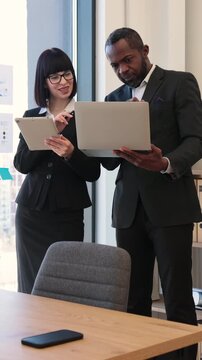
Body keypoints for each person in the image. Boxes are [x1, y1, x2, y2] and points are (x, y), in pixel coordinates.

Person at [101, 27, 202, 360]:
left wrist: (166, 162)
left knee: (176, 298)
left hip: (171, 206)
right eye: (115, 65)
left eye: (127, 60)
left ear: (144, 50)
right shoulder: (113, 100)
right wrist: (97, 146)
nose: (122, 70)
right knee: (133, 297)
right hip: (128, 211)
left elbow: (196, 140)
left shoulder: (179, 82)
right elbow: (111, 163)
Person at [14, 47, 100, 294]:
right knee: (30, 287)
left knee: (65, 286)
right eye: (55, 77)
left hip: (67, 216)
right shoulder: (32, 116)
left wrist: (71, 153)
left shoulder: (86, 116)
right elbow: (21, 164)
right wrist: (49, 130)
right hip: (31, 214)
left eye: (67, 74)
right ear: (44, 82)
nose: (63, 82)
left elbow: (93, 172)